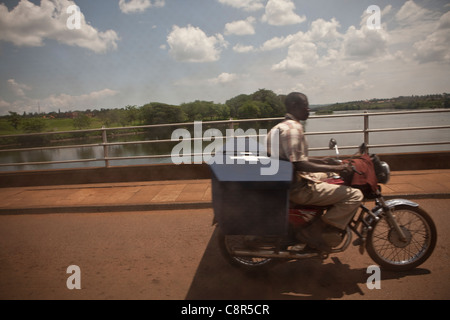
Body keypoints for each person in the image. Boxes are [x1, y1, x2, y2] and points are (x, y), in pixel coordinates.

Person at [267, 92, 364, 252]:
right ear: (293, 106)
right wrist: (337, 167)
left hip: (288, 181)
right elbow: (299, 164)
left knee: (331, 175)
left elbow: (297, 159)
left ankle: (317, 219)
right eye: (305, 105)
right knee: (354, 195)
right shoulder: (292, 130)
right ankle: (314, 232)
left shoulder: (282, 126)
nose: (308, 109)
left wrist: (324, 161)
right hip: (298, 188)